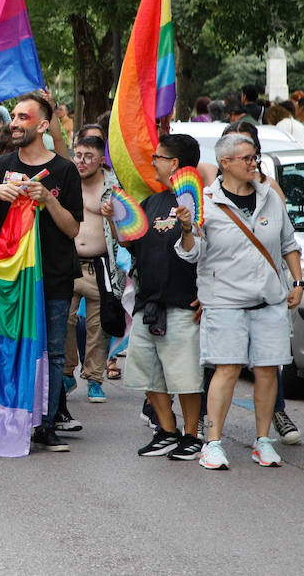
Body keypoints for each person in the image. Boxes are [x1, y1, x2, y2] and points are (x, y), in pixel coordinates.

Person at [175, 133, 304, 470]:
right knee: (227, 369)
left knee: (266, 371)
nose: (253, 163)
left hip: (270, 301)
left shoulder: (269, 198)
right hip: (224, 302)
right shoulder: (205, 200)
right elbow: (193, 253)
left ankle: (263, 441)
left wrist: (298, 281)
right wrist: (187, 229)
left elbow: (289, 243)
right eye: (247, 158)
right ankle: (212, 443)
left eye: (255, 156)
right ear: (225, 163)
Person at [0, 92, 83, 452]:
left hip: (53, 277)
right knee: (10, 346)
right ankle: (10, 415)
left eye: (23, 118)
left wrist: (48, 199)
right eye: (14, 117)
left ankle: (47, 424)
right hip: (8, 279)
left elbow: (72, 230)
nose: (15, 123)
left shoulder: (65, 171)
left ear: (43, 125)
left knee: (52, 353)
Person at [119, 133, 204, 461]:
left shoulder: (197, 201)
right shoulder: (152, 201)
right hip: (147, 302)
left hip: (183, 303)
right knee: (148, 372)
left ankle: (191, 435)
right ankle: (167, 431)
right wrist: (117, 217)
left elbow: (201, 250)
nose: (152, 161)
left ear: (174, 164)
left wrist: (186, 227)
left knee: (185, 377)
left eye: (158, 156)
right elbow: (130, 243)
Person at [64, 135, 119, 405]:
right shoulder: (67, 180)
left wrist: (113, 218)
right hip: (69, 262)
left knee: (98, 327)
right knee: (64, 318)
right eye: (78, 154)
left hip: (100, 265)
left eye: (88, 156)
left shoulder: (113, 188)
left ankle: (95, 378)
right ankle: (66, 372)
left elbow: (126, 230)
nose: (81, 161)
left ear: (100, 160)